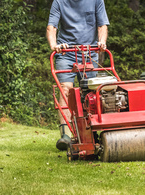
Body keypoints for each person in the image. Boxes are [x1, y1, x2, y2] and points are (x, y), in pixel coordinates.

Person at [46, 0, 109, 150]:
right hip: (65, 52)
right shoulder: (59, 2)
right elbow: (51, 27)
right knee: (65, 89)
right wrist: (54, 46)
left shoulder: (96, 1)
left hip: (89, 51)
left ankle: (92, 132)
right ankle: (66, 135)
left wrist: (101, 42)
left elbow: (102, 25)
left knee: (91, 92)